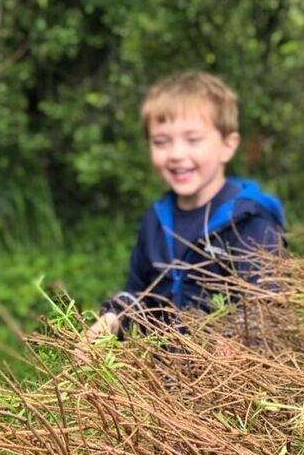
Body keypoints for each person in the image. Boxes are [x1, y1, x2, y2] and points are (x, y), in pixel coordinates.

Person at [84, 71, 284, 344]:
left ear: (228, 145)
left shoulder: (249, 222)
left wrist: (224, 350)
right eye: (161, 142)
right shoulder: (155, 221)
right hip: (159, 376)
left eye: (193, 139)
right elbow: (138, 294)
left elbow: (264, 308)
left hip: (229, 378)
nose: (177, 154)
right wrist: (111, 320)